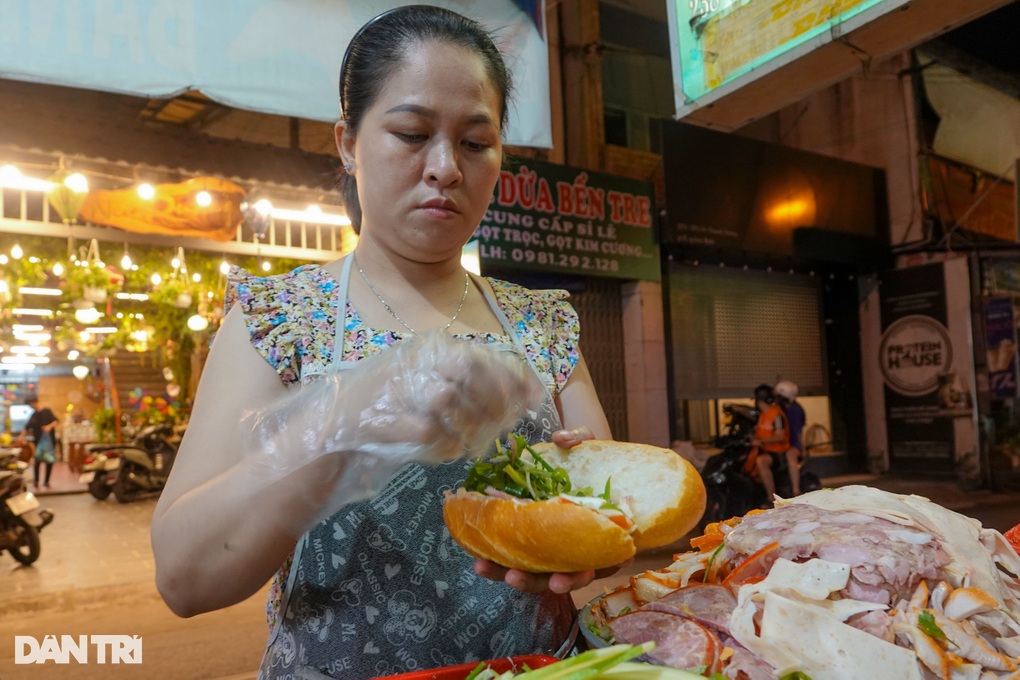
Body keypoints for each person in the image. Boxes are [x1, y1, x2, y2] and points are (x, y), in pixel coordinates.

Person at [150, 6, 615, 678]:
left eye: (476, 144)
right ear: (348, 142)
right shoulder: (281, 318)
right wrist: (344, 417)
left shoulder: (543, 323)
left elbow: (601, 514)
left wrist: (587, 533)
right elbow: (185, 578)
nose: (446, 168)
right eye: (412, 133)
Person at [746, 384, 789, 504]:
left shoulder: (776, 415)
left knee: (761, 461)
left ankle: (771, 498)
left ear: (760, 401)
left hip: (778, 452)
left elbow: (780, 436)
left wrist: (761, 441)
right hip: (765, 449)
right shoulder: (763, 415)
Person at [16, 396, 58, 489]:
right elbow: (27, 427)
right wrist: (21, 436)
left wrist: (49, 427)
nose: (30, 406)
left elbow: (56, 421)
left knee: (49, 461)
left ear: (35, 402)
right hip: (37, 442)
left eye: (31, 404)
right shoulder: (34, 415)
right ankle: (36, 481)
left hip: (49, 442)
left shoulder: (46, 411)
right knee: (37, 462)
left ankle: (46, 481)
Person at [774, 380, 804, 497]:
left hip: (792, 444)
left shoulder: (795, 410)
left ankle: (796, 489)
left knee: (790, 456)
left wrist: (802, 448)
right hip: (781, 443)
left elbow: (798, 432)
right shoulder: (778, 409)